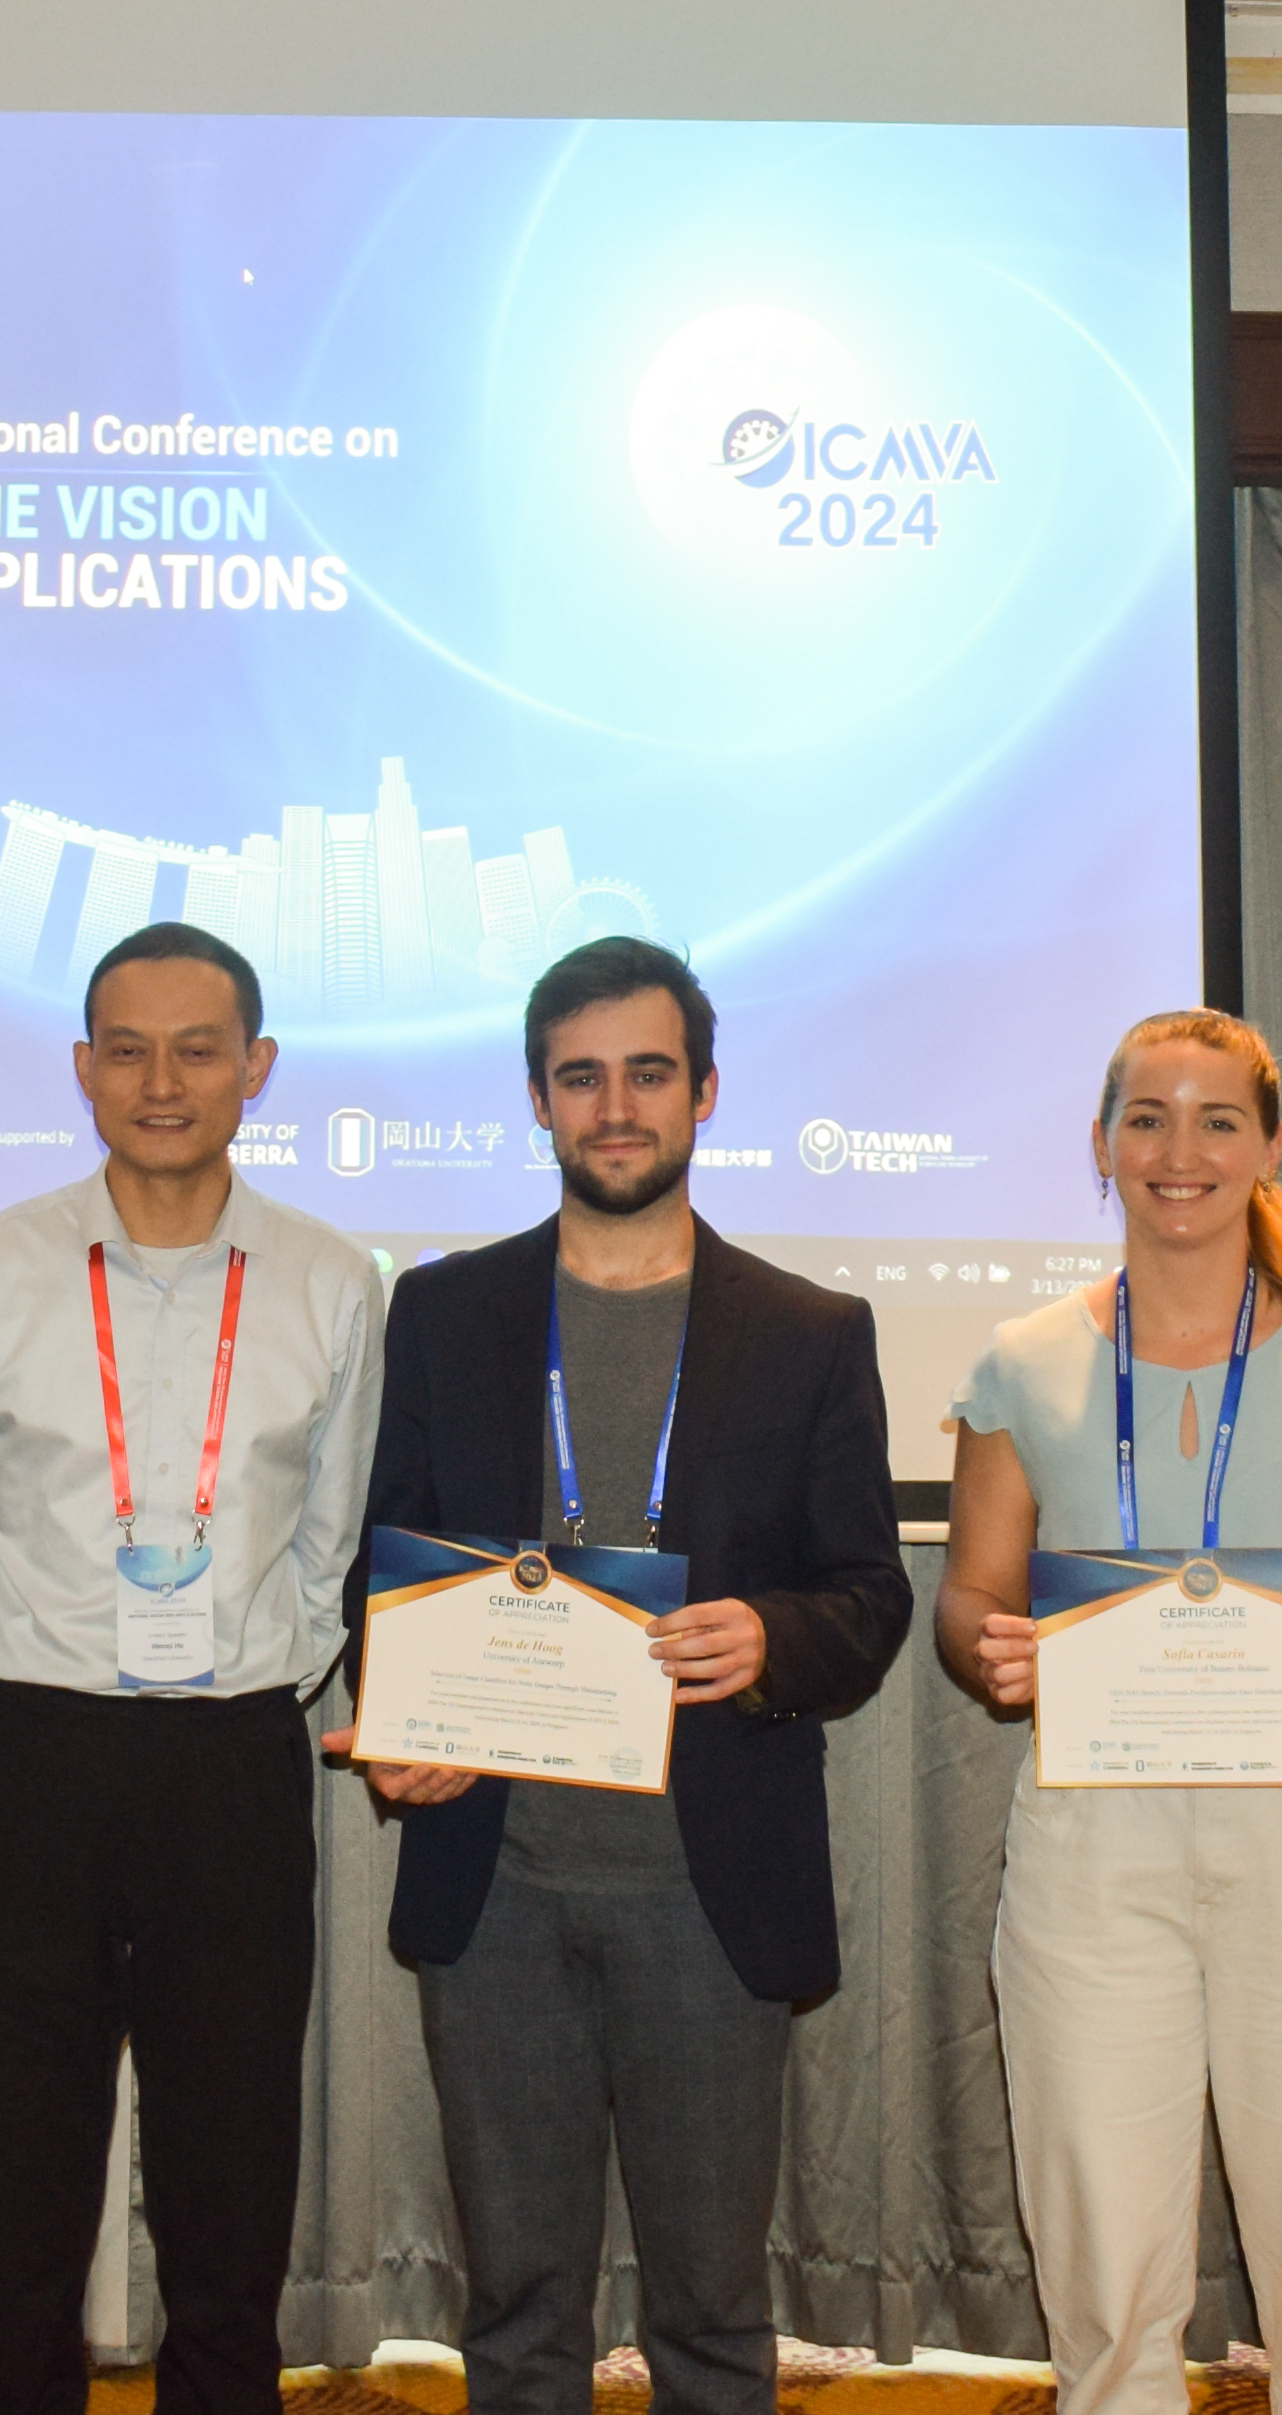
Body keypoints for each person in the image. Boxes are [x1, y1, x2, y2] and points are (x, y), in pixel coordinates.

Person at [343, 938, 911, 2415]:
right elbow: (383, 1561)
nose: (614, 1105)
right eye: (580, 1075)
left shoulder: (809, 1331)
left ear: (705, 1093)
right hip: (498, 1878)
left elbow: (870, 1595)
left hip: (704, 1891)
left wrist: (774, 1639)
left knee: (714, 2316)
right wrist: (401, 1715)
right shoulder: (445, 1312)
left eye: (647, 1073)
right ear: (537, 1099)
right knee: (517, 2312)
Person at [937, 1007, 1282, 2415]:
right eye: (1147, 1117)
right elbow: (968, 1599)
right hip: (1096, 1847)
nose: (1180, 1150)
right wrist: (999, 1646)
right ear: (1102, 1144)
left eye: (1217, 1119)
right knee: (1108, 2293)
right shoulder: (1027, 1360)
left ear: (1270, 1144)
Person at [0, 921, 384, 2415]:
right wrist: (34, 1656)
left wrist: (274, 1660)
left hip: (236, 1759)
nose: (160, 1079)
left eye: (198, 1047)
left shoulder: (329, 1277)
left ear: (258, 1068)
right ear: (81, 1068)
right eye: (127, 1046)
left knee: (230, 2181)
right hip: (40, 1751)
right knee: (19, 2175)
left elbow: (334, 1533)